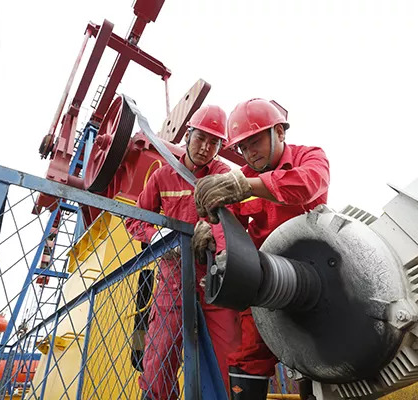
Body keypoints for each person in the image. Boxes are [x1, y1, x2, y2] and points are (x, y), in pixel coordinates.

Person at [192, 98, 330, 400]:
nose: (249, 153)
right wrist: (212, 226)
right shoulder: (244, 176)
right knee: (250, 354)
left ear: (279, 132)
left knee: (318, 356)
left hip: (321, 277)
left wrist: (246, 186)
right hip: (269, 279)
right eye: (242, 147)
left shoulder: (311, 156)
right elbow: (231, 221)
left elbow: (307, 185)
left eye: (254, 142)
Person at [125, 105, 241, 400]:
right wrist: (158, 238)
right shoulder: (162, 177)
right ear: (188, 135)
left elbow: (233, 217)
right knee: (158, 361)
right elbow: (135, 218)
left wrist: (215, 237)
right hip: (172, 280)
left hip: (214, 277)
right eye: (200, 138)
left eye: (214, 142)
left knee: (231, 357)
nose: (205, 148)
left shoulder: (221, 174)